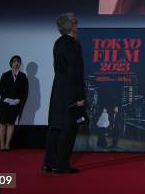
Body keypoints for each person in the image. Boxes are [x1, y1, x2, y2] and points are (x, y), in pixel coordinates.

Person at [42, 12, 86, 174]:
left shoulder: (58, 43)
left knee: (55, 128)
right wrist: (79, 97)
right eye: (76, 22)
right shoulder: (73, 44)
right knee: (68, 130)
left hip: (58, 92)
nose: (78, 25)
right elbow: (75, 72)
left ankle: (49, 163)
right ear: (71, 25)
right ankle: (61, 165)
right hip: (70, 93)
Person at [0, 55, 28, 151]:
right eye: (14, 62)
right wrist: (6, 98)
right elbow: (0, 89)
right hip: (5, 103)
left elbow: (24, 90)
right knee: (2, 123)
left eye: (18, 62)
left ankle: (7, 144)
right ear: (11, 63)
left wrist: (18, 100)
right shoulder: (5, 75)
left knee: (11, 123)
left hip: (15, 103)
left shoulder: (23, 76)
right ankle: (1, 144)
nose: (16, 63)